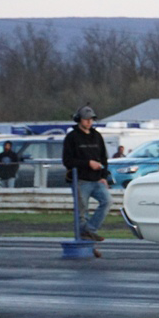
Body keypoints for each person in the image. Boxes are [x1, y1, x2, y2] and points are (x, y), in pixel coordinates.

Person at [61, 104, 111, 253]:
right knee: (82, 213)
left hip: (97, 180)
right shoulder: (72, 137)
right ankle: (88, 246)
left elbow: (104, 158)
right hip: (80, 180)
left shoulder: (97, 136)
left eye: (91, 119)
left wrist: (104, 176)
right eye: (86, 119)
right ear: (79, 120)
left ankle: (89, 230)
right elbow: (67, 161)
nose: (89, 122)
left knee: (107, 201)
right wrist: (88, 163)